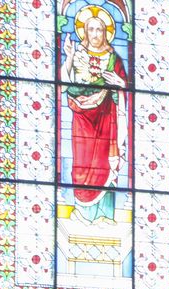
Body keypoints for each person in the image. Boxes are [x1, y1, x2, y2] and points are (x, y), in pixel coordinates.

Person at [60, 7, 129, 222]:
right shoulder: (78, 53)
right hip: (82, 120)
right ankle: (82, 213)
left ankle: (105, 215)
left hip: (107, 120)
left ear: (106, 32)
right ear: (85, 32)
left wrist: (120, 85)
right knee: (82, 164)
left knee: (105, 164)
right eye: (91, 29)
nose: (96, 34)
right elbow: (63, 85)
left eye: (100, 29)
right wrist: (69, 57)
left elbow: (123, 88)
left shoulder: (113, 59)